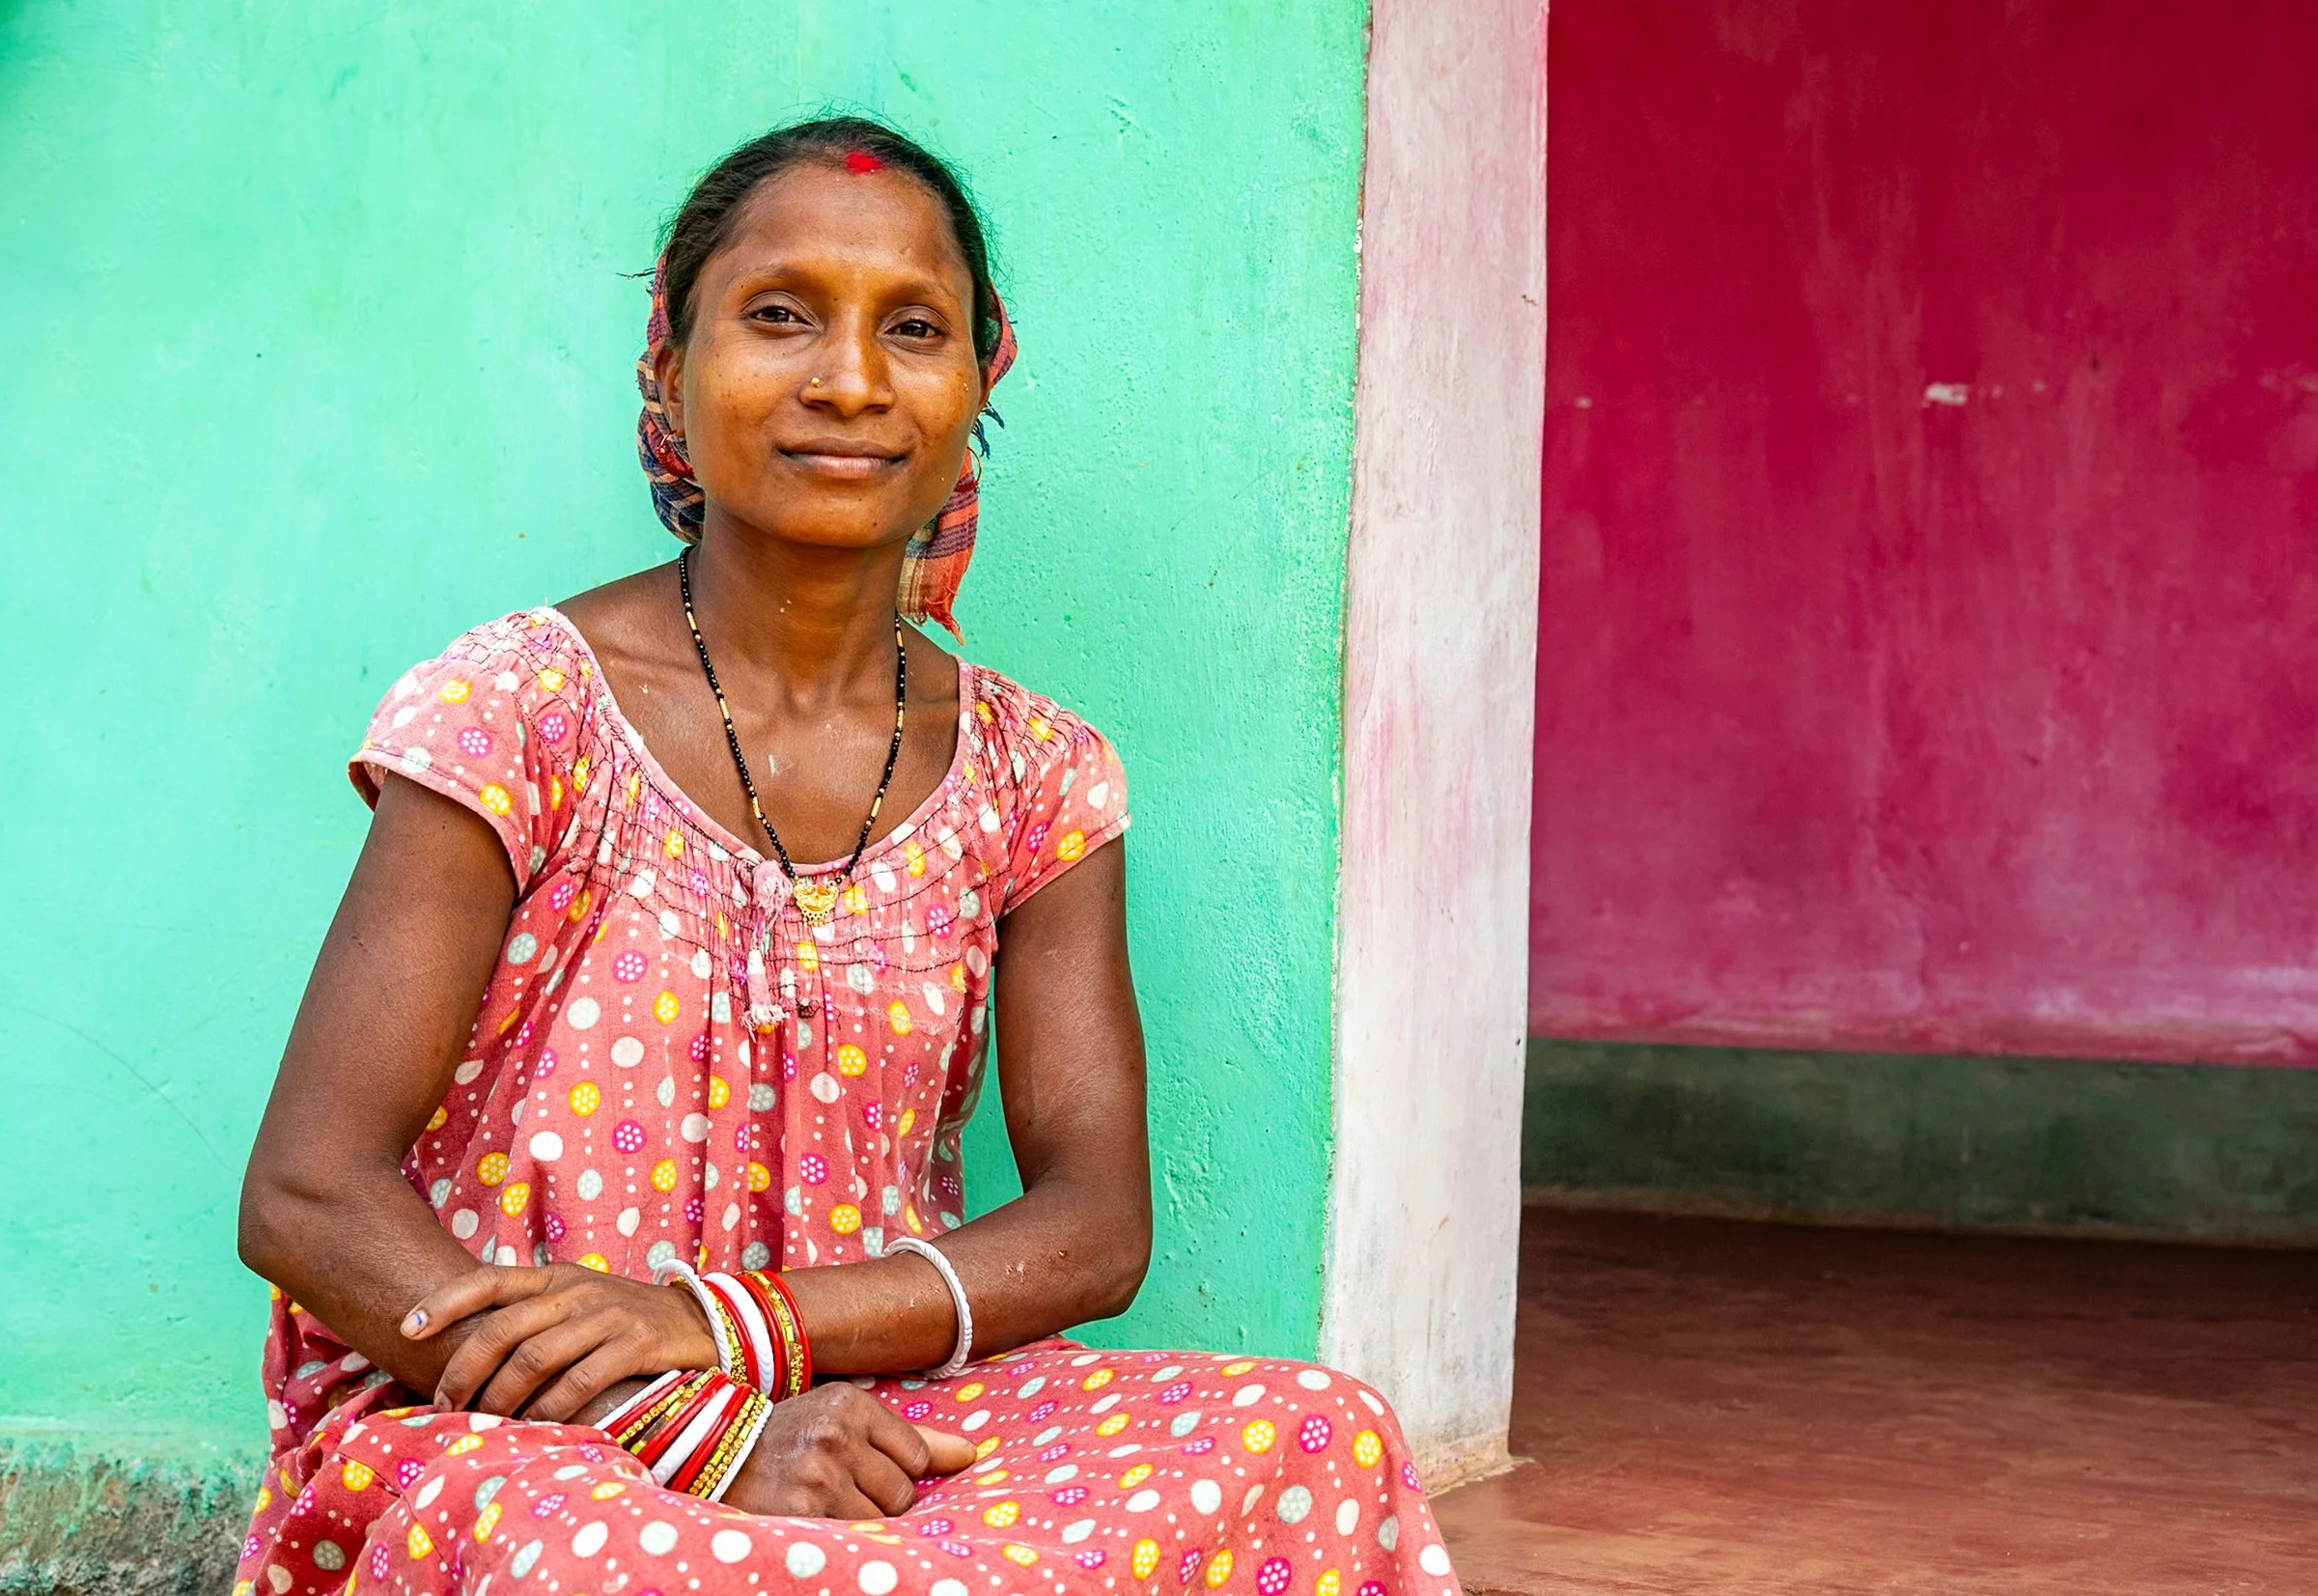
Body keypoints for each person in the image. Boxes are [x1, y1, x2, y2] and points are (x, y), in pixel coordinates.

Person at [232, 116, 1458, 1596]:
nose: (853, 380)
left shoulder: (1036, 776)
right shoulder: (522, 713)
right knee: (708, 1569)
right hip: (508, 1416)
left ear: (975, 387)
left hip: (873, 1394)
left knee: (1321, 1438)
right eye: (779, 315)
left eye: (914, 328)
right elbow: (305, 1195)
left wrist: (732, 1333)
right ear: (665, 373)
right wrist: (683, 1420)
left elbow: (1093, 1225)